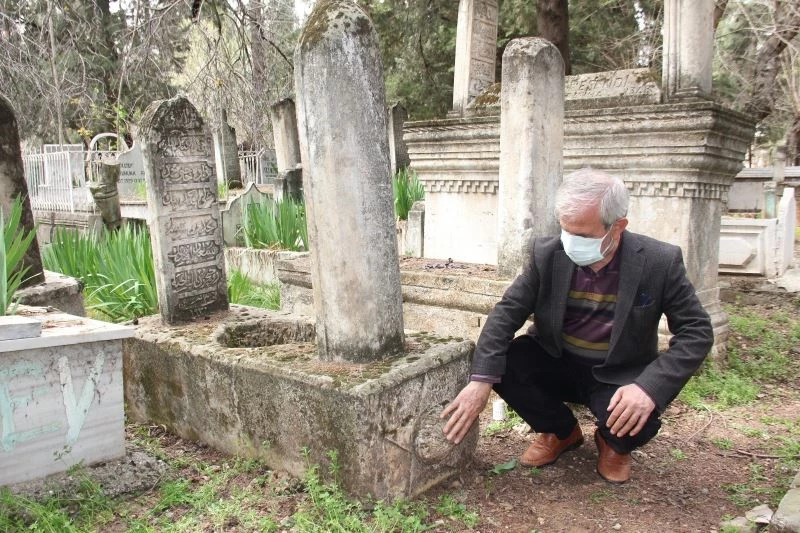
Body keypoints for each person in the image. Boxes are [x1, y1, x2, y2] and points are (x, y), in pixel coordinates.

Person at [440, 167, 713, 483]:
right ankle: (561, 431)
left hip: (616, 374)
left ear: (618, 227)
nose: (571, 243)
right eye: (565, 231)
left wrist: (648, 388)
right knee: (506, 364)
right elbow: (507, 313)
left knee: (641, 418)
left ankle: (612, 444)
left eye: (583, 236)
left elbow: (696, 331)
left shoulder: (658, 262)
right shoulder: (548, 254)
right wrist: (480, 381)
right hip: (558, 361)